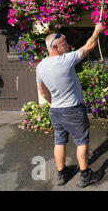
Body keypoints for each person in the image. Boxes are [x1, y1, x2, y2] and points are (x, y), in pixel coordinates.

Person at [36, 23, 104, 188]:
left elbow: (42, 92)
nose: (67, 46)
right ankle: (85, 175)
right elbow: (89, 46)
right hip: (72, 110)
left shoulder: (40, 66)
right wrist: (96, 31)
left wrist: (53, 103)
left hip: (55, 111)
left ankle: (61, 174)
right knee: (82, 142)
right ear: (54, 47)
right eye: (64, 44)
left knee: (59, 141)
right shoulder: (65, 60)